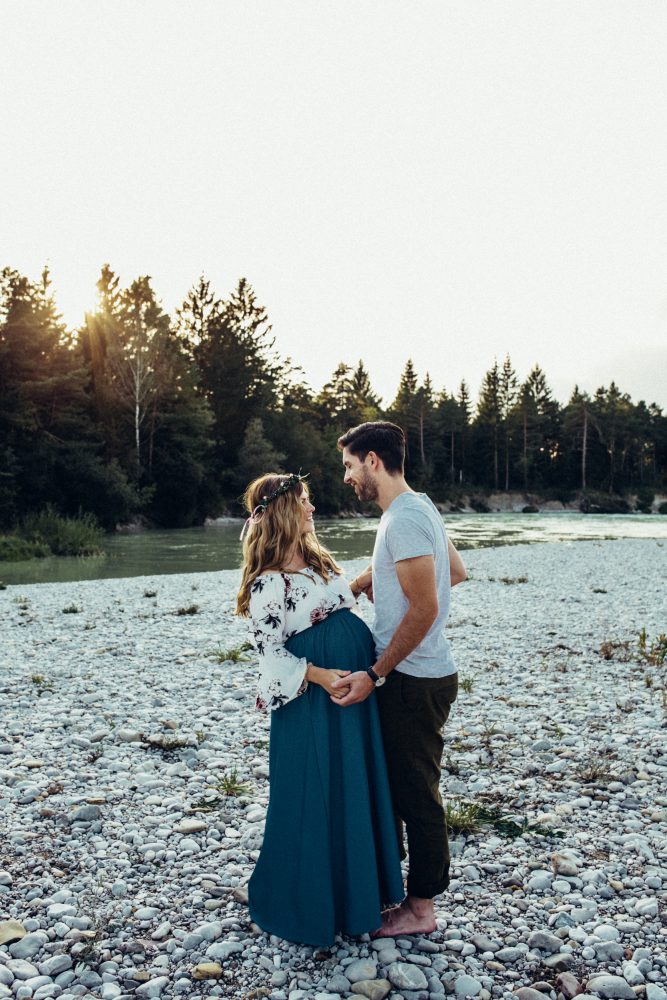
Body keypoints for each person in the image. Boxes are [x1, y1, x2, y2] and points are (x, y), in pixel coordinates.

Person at [235, 471, 404, 947]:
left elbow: (324, 608)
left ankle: (357, 900)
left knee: (352, 788)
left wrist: (372, 577)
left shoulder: (314, 564)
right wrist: (320, 674)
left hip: (350, 698)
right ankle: (308, 905)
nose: (312, 509)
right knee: (314, 796)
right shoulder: (269, 582)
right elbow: (270, 652)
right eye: (305, 502)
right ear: (286, 511)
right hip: (314, 704)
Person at [332, 421, 467, 938]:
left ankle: (421, 909)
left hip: (411, 679)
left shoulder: (402, 520)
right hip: (425, 674)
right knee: (405, 788)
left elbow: (427, 605)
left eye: (348, 465)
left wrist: (375, 673)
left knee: (417, 796)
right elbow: (454, 571)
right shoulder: (419, 507)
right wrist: (375, 575)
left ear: (372, 460)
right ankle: (401, 894)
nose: (346, 477)